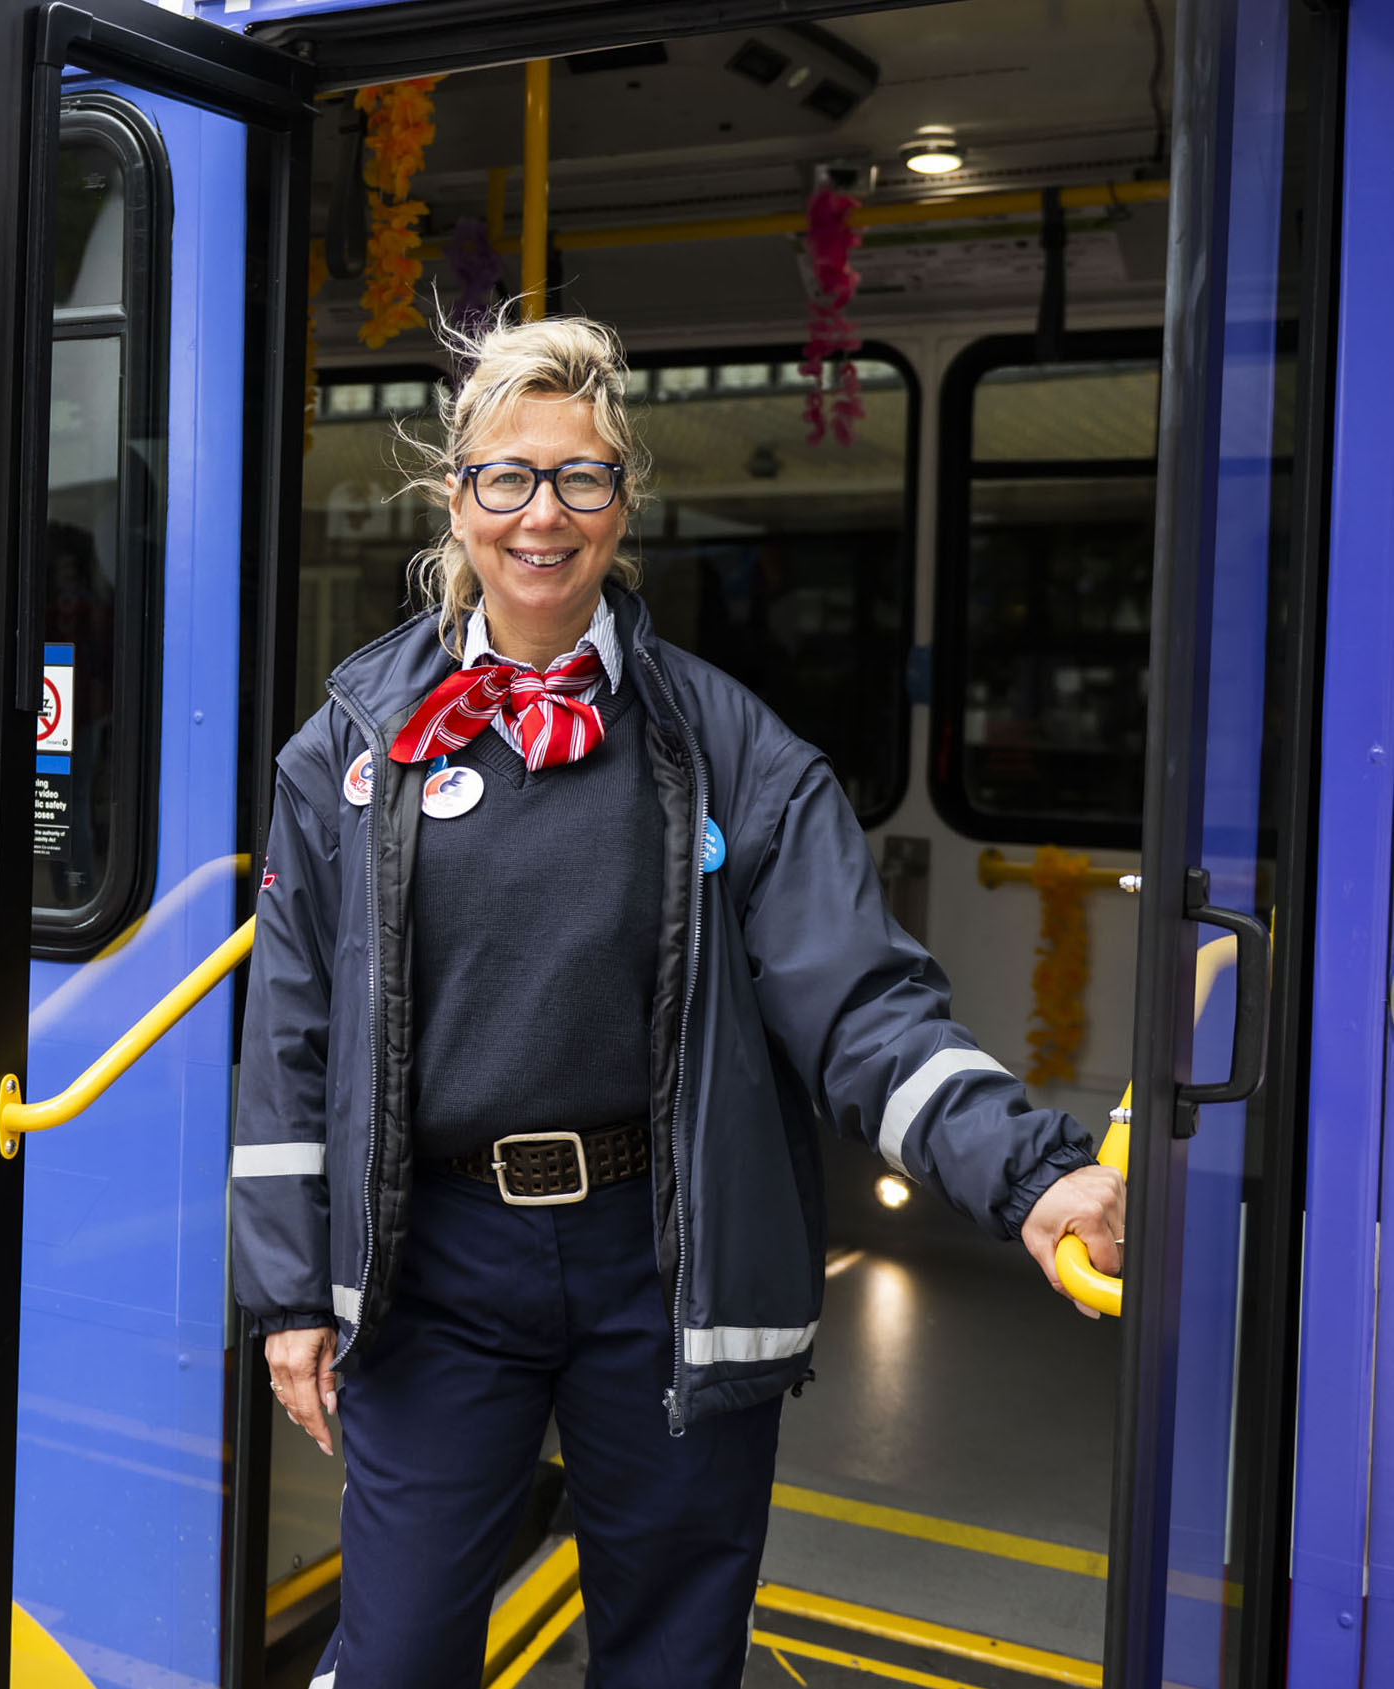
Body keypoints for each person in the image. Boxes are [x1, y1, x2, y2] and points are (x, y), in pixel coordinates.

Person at [229, 314, 1126, 1689]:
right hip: (435, 1266)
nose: (544, 514)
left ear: (623, 505)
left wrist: (1033, 1176)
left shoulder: (731, 749)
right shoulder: (347, 747)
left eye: (582, 478)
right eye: (509, 477)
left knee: (670, 1659)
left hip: (662, 1257)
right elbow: (290, 1039)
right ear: (454, 496)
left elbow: (861, 1010)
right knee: (400, 1654)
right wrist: (289, 1288)